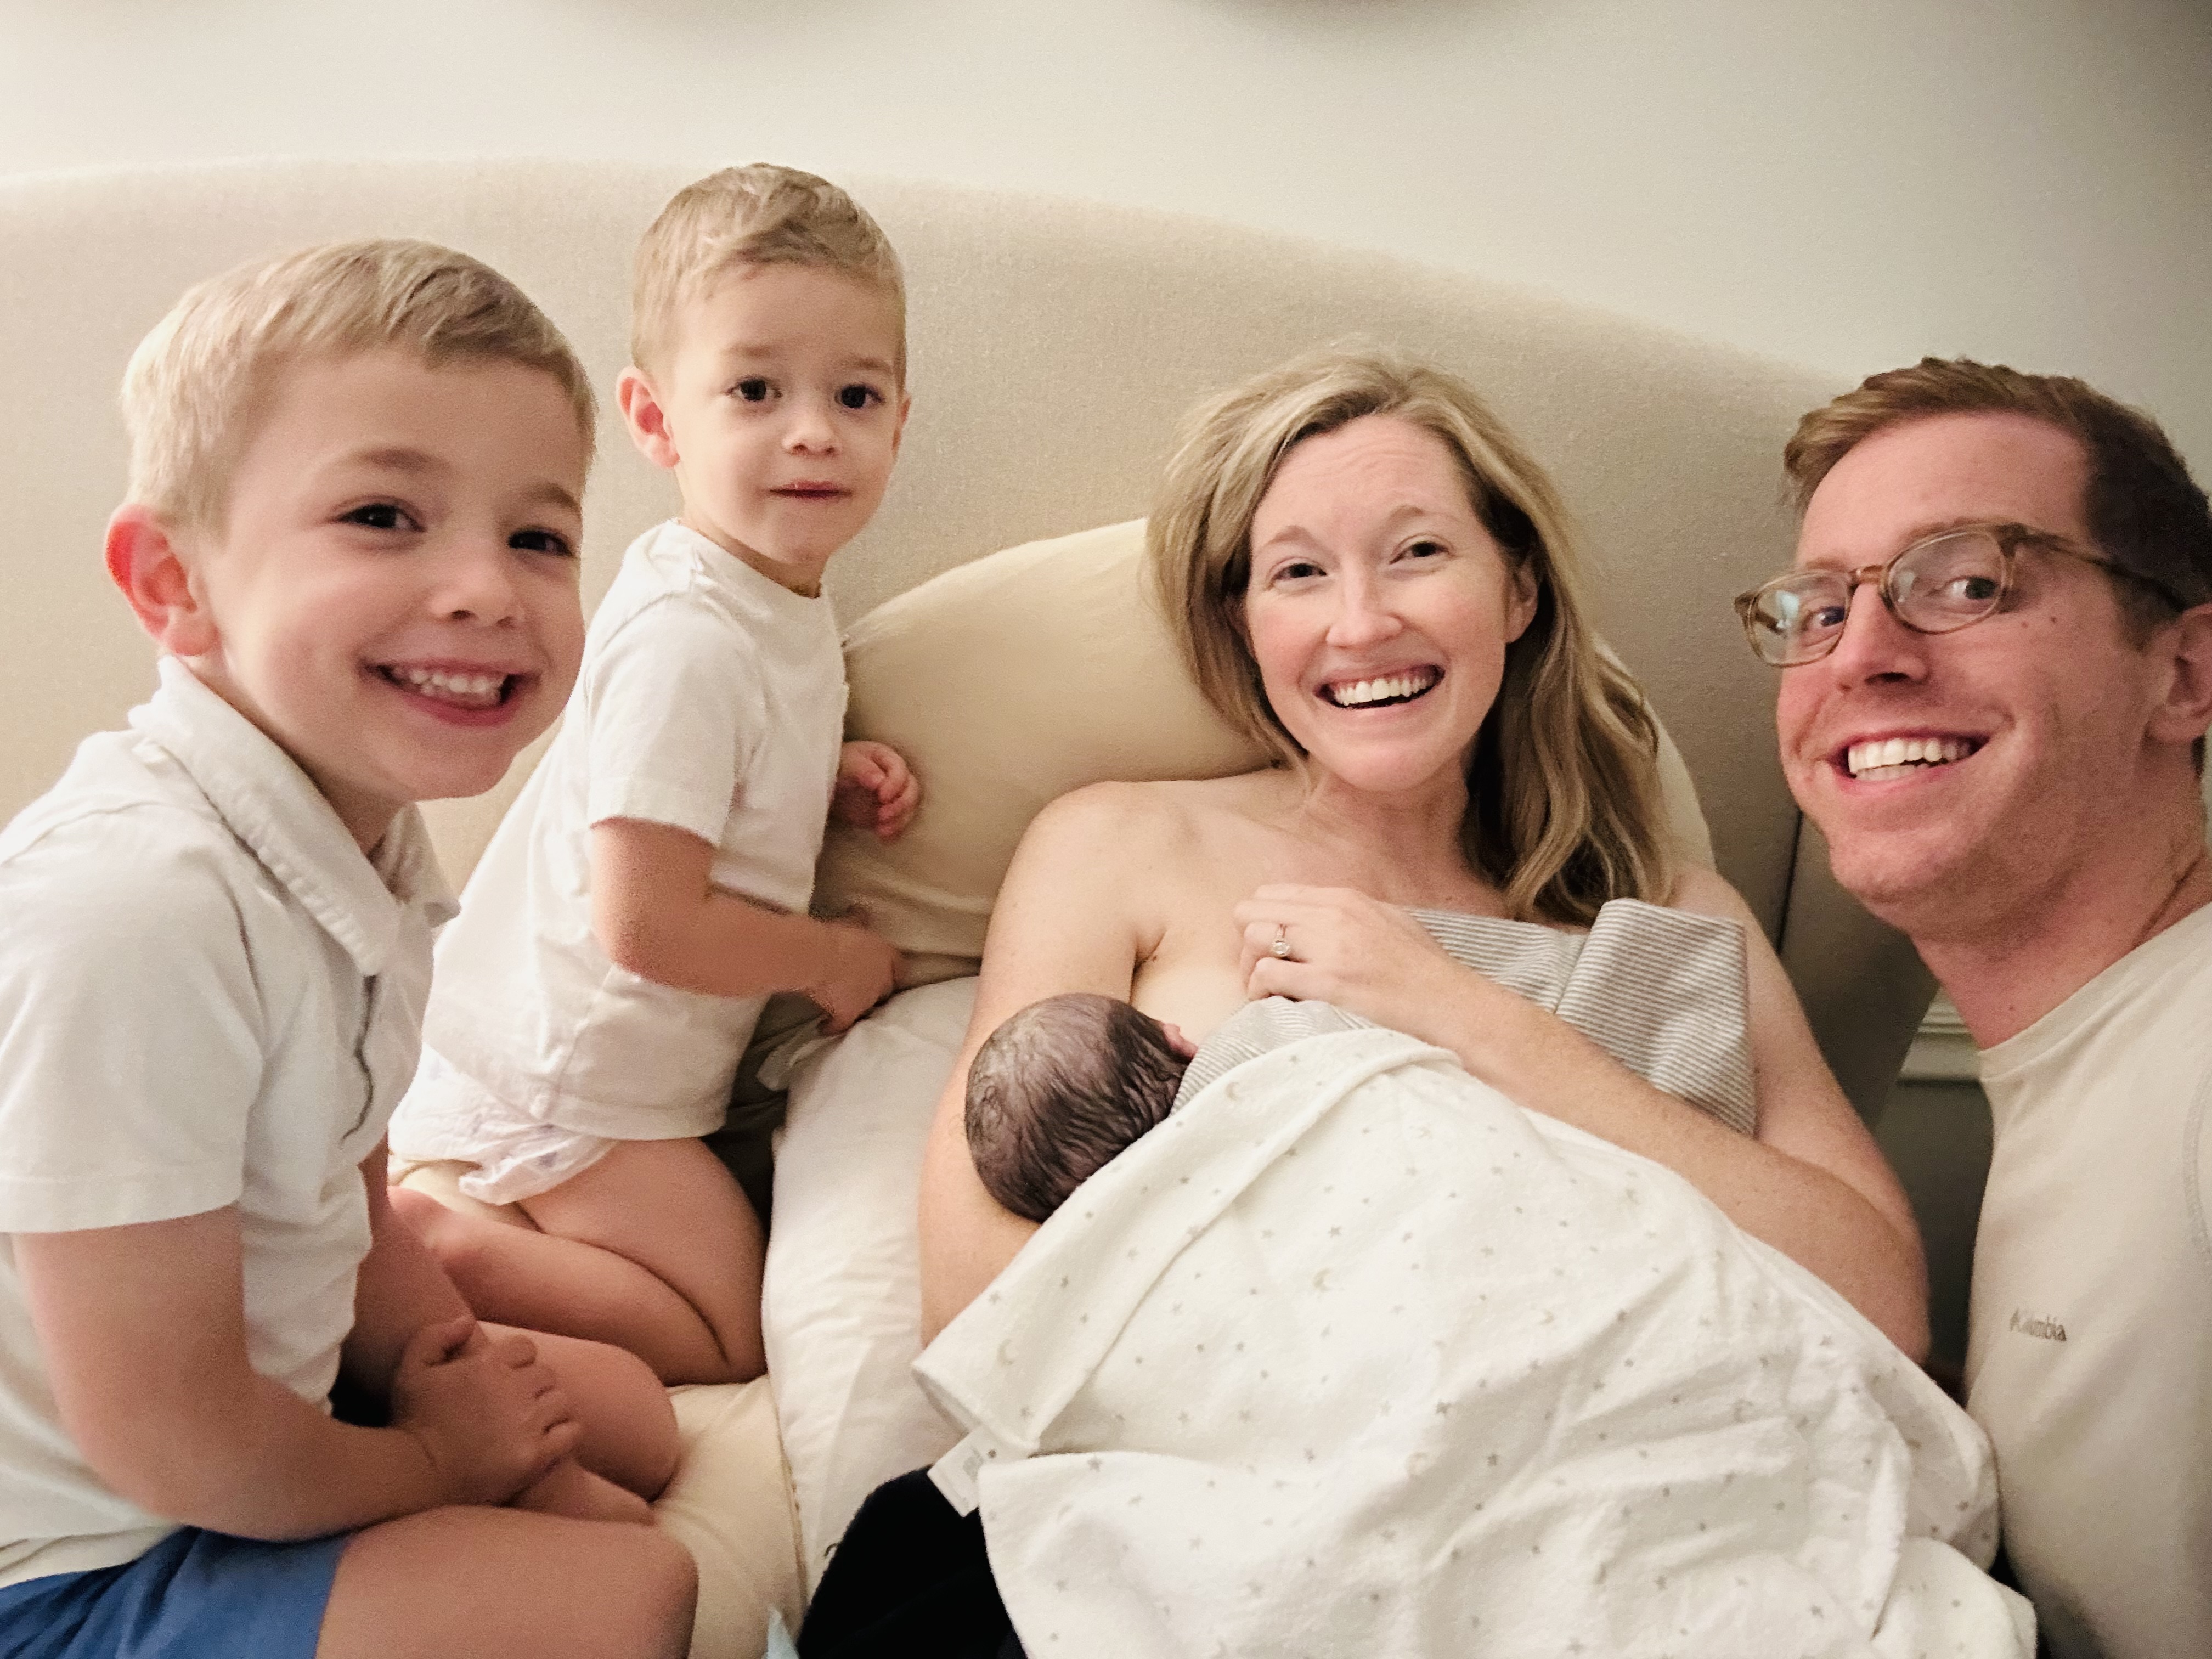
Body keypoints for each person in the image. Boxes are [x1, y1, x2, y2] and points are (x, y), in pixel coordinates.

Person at [801, 347, 1932, 1654]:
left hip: (1651, 1514)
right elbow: (977, 1297)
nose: (1360, 624)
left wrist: (1468, 1017)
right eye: (1297, 573)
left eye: (1417, 553)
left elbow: (1880, 1300)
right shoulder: (1120, 847)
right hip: (1219, 1515)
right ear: (1242, 623)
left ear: (1516, 589)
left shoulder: (1676, 915)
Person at [0, 240, 697, 1658]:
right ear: (174, 583)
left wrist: (464, 1392)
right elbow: (167, 1442)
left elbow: (350, 1207)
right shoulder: (137, 910)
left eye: (538, 537)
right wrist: (441, 1463)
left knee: (634, 1422)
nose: (486, 588)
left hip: (249, 1412)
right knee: (637, 1594)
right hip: (79, 1560)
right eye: (384, 516)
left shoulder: (352, 845)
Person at [386, 165, 919, 1388]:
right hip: (575, 1077)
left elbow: (680, 770)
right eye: (755, 390)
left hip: (582, 1059)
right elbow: (644, 921)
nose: (812, 430)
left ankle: (461, 1242)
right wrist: (831, 960)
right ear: (656, 418)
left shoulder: (752, 598)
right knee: (731, 1342)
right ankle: (441, 1244)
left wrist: (812, 771)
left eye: (855, 394)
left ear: (901, 421)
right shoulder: (692, 636)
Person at [1740, 356, 2212, 1659]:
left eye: (1967, 584)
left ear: (2185, 675)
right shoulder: (2088, 1078)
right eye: (1819, 607)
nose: (1861, 657)